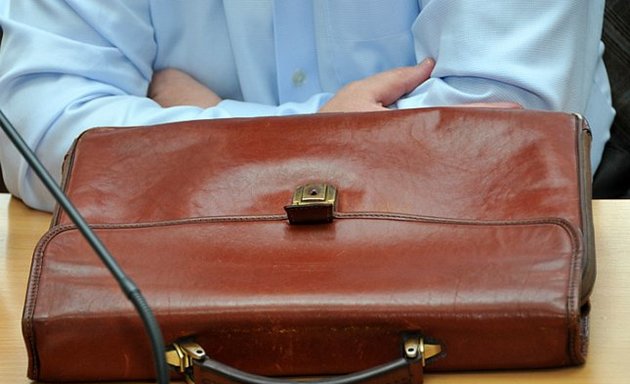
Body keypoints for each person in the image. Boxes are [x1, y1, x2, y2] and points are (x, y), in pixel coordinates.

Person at [0, 0, 615, 212]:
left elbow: (499, 140)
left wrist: (214, 123)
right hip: (172, 282)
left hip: (473, 274)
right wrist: (323, 136)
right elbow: (40, 131)